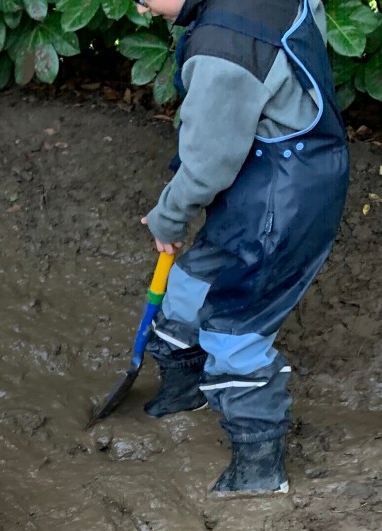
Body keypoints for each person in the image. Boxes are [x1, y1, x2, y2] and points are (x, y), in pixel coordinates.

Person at [136, 0, 349, 495]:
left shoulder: (222, 46)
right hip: (277, 174)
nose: (142, 9)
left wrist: (169, 215)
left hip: (280, 196)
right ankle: (185, 390)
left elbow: (207, 164)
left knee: (234, 328)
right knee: (187, 287)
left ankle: (258, 469)